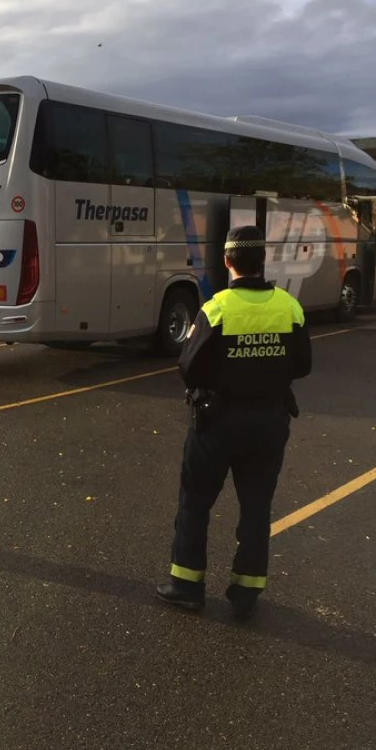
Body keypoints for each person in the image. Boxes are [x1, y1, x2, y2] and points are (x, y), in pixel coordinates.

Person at [156, 225, 312, 620]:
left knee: (196, 501)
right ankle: (246, 592)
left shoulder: (217, 308)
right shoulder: (289, 307)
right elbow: (304, 365)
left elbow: (189, 367)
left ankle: (187, 585)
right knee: (257, 507)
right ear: (262, 260)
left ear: (228, 261)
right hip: (269, 422)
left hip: (218, 422)